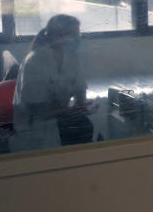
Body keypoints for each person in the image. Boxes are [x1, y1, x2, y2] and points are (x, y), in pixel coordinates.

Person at [11, 14, 93, 151]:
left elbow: (80, 92)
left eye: (79, 35)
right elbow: (37, 108)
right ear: (58, 36)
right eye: (74, 35)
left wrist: (83, 106)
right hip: (36, 127)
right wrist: (70, 110)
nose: (78, 39)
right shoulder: (35, 60)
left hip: (59, 120)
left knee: (85, 125)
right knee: (79, 130)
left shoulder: (72, 58)